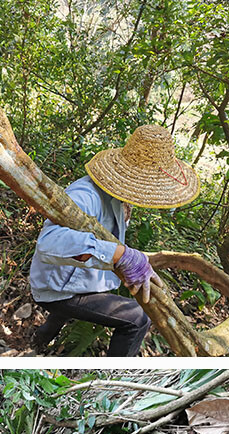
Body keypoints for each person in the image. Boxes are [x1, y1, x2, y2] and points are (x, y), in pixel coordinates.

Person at [29, 124, 200, 356]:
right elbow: (49, 243)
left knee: (64, 313)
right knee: (138, 319)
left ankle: (39, 339)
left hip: (80, 281)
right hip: (60, 287)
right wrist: (121, 255)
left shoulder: (118, 199)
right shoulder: (85, 195)